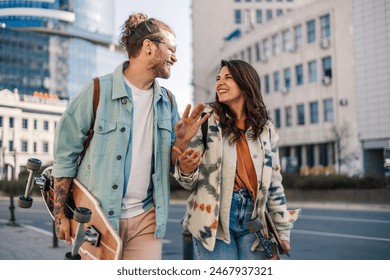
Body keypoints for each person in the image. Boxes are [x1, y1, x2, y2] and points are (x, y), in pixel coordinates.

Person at [51, 13, 206, 260]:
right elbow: (64, 157)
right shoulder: (96, 92)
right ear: (148, 47)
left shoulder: (168, 102)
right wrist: (60, 215)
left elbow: (168, 164)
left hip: (146, 219)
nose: (175, 58)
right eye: (171, 49)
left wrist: (181, 144)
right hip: (96, 219)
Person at [173, 59, 301, 260]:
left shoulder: (266, 130)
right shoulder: (206, 120)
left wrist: (282, 232)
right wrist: (185, 166)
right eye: (218, 78)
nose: (220, 83)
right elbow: (188, 182)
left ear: (245, 83)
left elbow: (275, 186)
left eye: (228, 77)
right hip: (212, 221)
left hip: (254, 222)